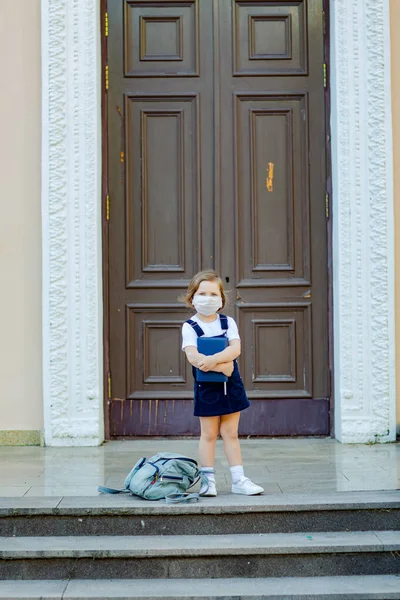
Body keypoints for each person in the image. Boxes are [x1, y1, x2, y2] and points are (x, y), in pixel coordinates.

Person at [181, 270, 264, 497]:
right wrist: (222, 367)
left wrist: (217, 361)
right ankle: (208, 481)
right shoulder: (189, 326)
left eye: (213, 294)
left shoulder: (228, 322)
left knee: (231, 433)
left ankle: (238, 479)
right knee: (208, 434)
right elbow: (192, 356)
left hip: (231, 384)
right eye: (202, 293)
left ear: (221, 299)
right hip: (206, 385)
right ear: (192, 297)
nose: (208, 298)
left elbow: (234, 349)